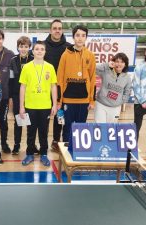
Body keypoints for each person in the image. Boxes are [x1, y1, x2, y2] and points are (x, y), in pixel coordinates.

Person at [19, 41, 58, 167]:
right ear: (33, 51)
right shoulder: (27, 67)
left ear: (45, 52)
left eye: (42, 49)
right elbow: (22, 87)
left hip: (45, 106)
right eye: (37, 49)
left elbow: (53, 87)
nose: (39, 51)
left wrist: (54, 104)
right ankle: (29, 153)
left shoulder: (50, 67)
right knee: (30, 132)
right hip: (30, 106)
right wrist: (21, 106)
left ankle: (44, 154)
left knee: (43, 132)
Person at [57, 25, 96, 143]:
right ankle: (65, 153)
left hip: (84, 100)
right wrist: (59, 101)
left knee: (81, 128)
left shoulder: (90, 55)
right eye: (77, 35)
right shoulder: (65, 55)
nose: (80, 38)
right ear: (73, 37)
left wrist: (92, 100)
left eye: (83, 36)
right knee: (67, 127)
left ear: (86, 38)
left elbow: (92, 78)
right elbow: (60, 79)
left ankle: (78, 151)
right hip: (68, 99)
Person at [44, 19, 71, 152]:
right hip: (44, 87)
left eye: (59, 28)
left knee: (60, 115)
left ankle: (56, 139)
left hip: (61, 88)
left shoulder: (69, 47)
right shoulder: (43, 46)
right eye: (54, 28)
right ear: (50, 30)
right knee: (45, 115)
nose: (57, 30)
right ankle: (43, 142)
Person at [9, 36, 34, 155]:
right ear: (18, 47)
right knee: (18, 120)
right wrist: (11, 96)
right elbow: (11, 79)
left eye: (26, 46)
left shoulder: (34, 59)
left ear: (29, 48)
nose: (23, 49)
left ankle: (31, 145)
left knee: (31, 122)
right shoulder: (13, 60)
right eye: (21, 46)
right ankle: (16, 145)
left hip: (32, 95)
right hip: (17, 95)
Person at [94, 53, 132, 123]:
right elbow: (93, 67)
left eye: (122, 62)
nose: (119, 64)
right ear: (113, 62)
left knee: (112, 128)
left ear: (125, 64)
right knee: (100, 127)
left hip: (116, 108)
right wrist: (106, 65)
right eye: (117, 61)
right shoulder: (106, 71)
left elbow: (128, 91)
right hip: (101, 105)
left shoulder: (127, 78)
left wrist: (121, 101)